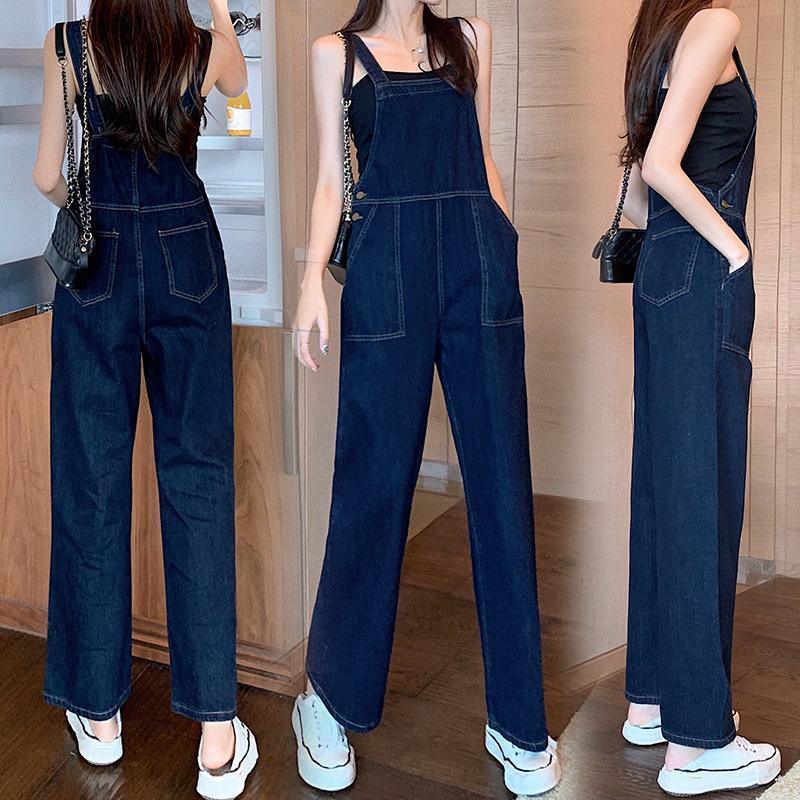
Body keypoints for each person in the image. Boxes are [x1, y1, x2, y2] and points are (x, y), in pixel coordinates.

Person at [292, 0, 560, 795]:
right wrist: (310, 283)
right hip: (387, 270)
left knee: (503, 490)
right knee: (371, 487)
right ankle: (327, 699)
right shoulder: (336, 54)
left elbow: (484, 156)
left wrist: (504, 244)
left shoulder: (470, 38)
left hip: (479, 262)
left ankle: (519, 721)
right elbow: (331, 179)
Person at [32, 1, 258, 797]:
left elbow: (48, 176)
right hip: (185, 251)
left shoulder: (68, 44)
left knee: (92, 482)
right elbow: (238, 87)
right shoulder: (203, 48)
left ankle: (99, 716)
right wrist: (221, 11)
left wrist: (90, 213)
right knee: (199, 480)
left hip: (98, 265)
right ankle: (217, 737)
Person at [618, 1, 781, 794]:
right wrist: (732, 247)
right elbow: (659, 165)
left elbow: (639, 185)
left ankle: (653, 701)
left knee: (663, 490)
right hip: (701, 269)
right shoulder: (716, 23)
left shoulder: (657, 35)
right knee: (702, 498)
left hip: (659, 268)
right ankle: (696, 742)